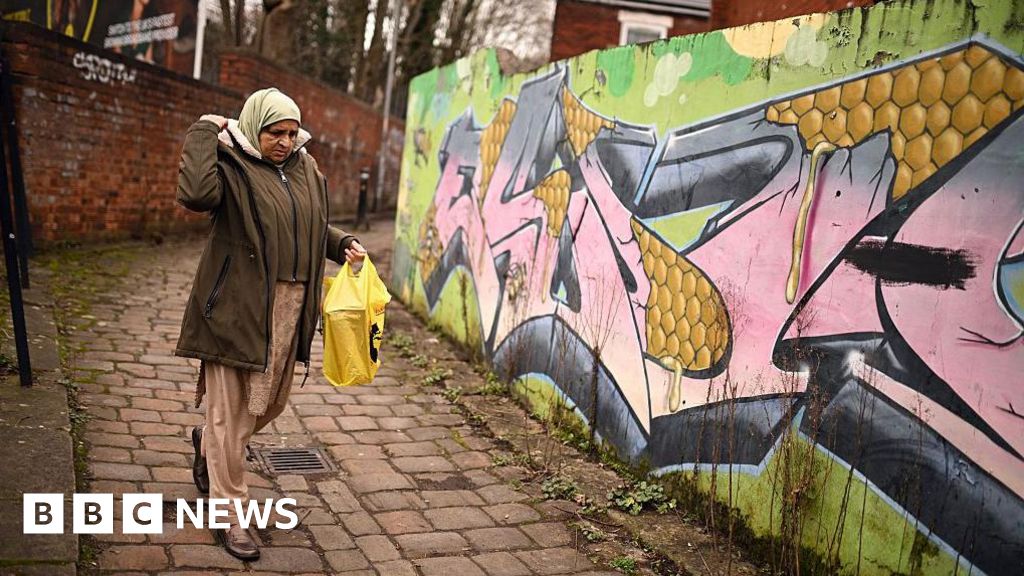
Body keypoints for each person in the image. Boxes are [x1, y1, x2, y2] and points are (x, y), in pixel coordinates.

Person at [174, 88, 366, 560]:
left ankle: (208, 445)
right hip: (235, 309)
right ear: (253, 126)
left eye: (291, 132)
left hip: (290, 309)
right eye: (274, 132)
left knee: (270, 405)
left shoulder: (306, 168)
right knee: (229, 416)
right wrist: (204, 130)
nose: (284, 141)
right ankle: (230, 516)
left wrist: (341, 243)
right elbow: (195, 196)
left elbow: (310, 224)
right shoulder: (230, 164)